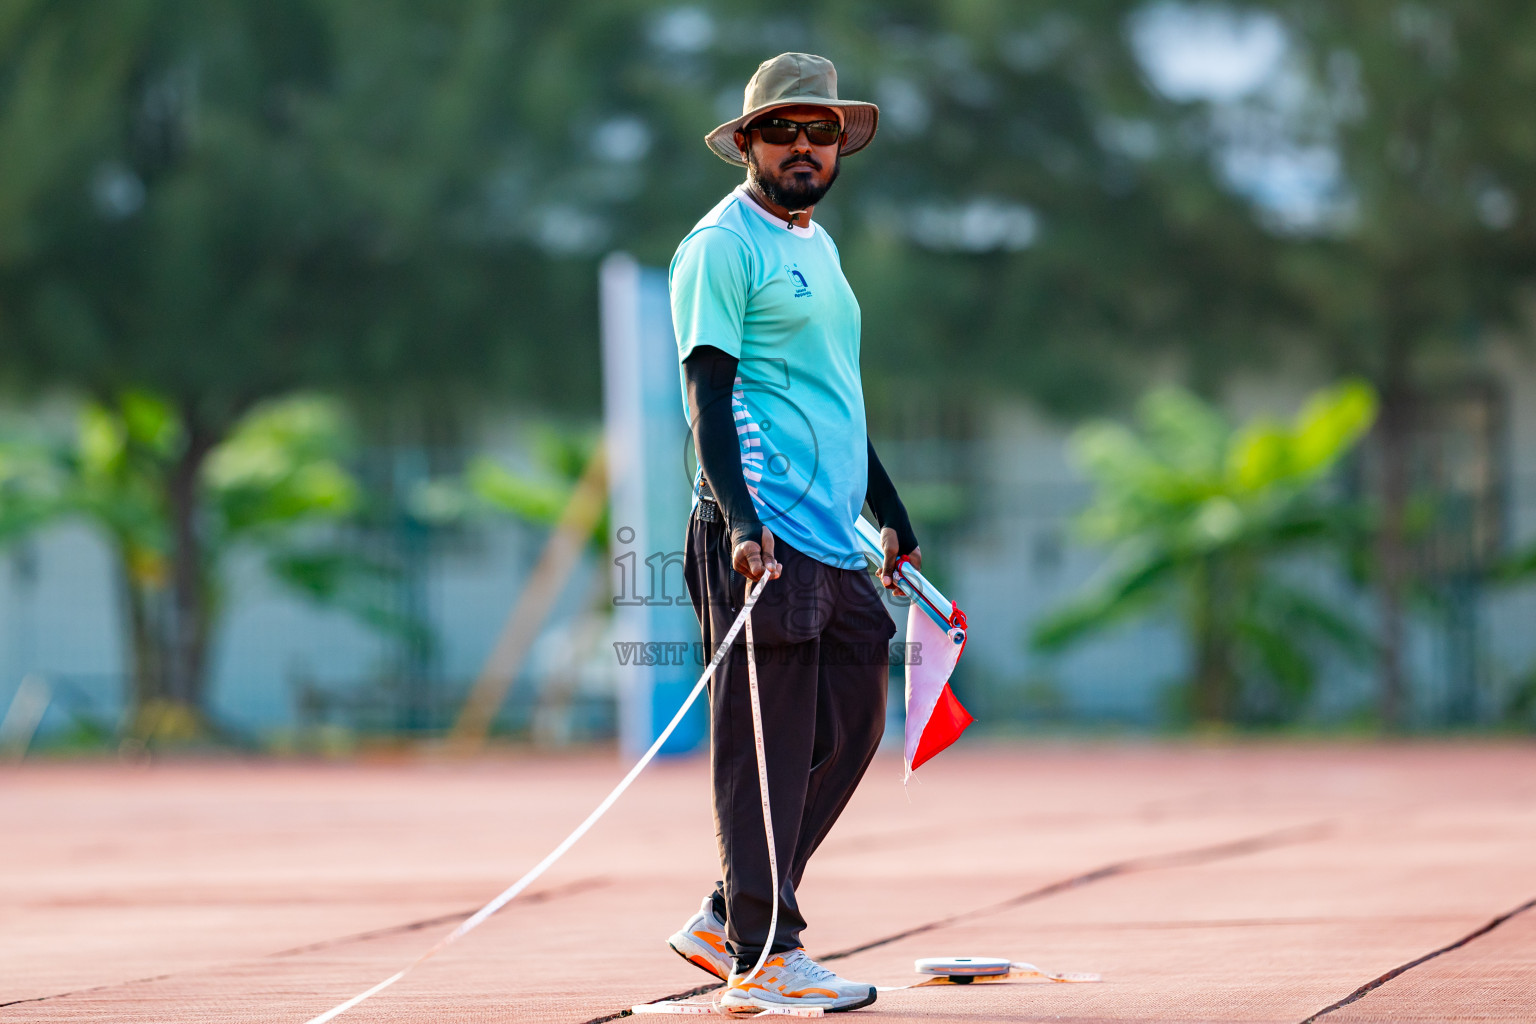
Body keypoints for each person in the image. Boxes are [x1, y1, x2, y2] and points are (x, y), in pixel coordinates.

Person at [664, 52, 920, 1014]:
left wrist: (888, 508)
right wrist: (740, 519)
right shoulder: (722, 246)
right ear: (747, 144)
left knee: (853, 726)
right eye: (782, 129)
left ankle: (731, 913)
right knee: (762, 745)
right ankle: (764, 958)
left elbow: (834, 400)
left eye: (819, 131)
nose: (802, 145)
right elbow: (709, 400)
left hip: (833, 531)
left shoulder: (819, 244)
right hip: (762, 530)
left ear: (840, 145)